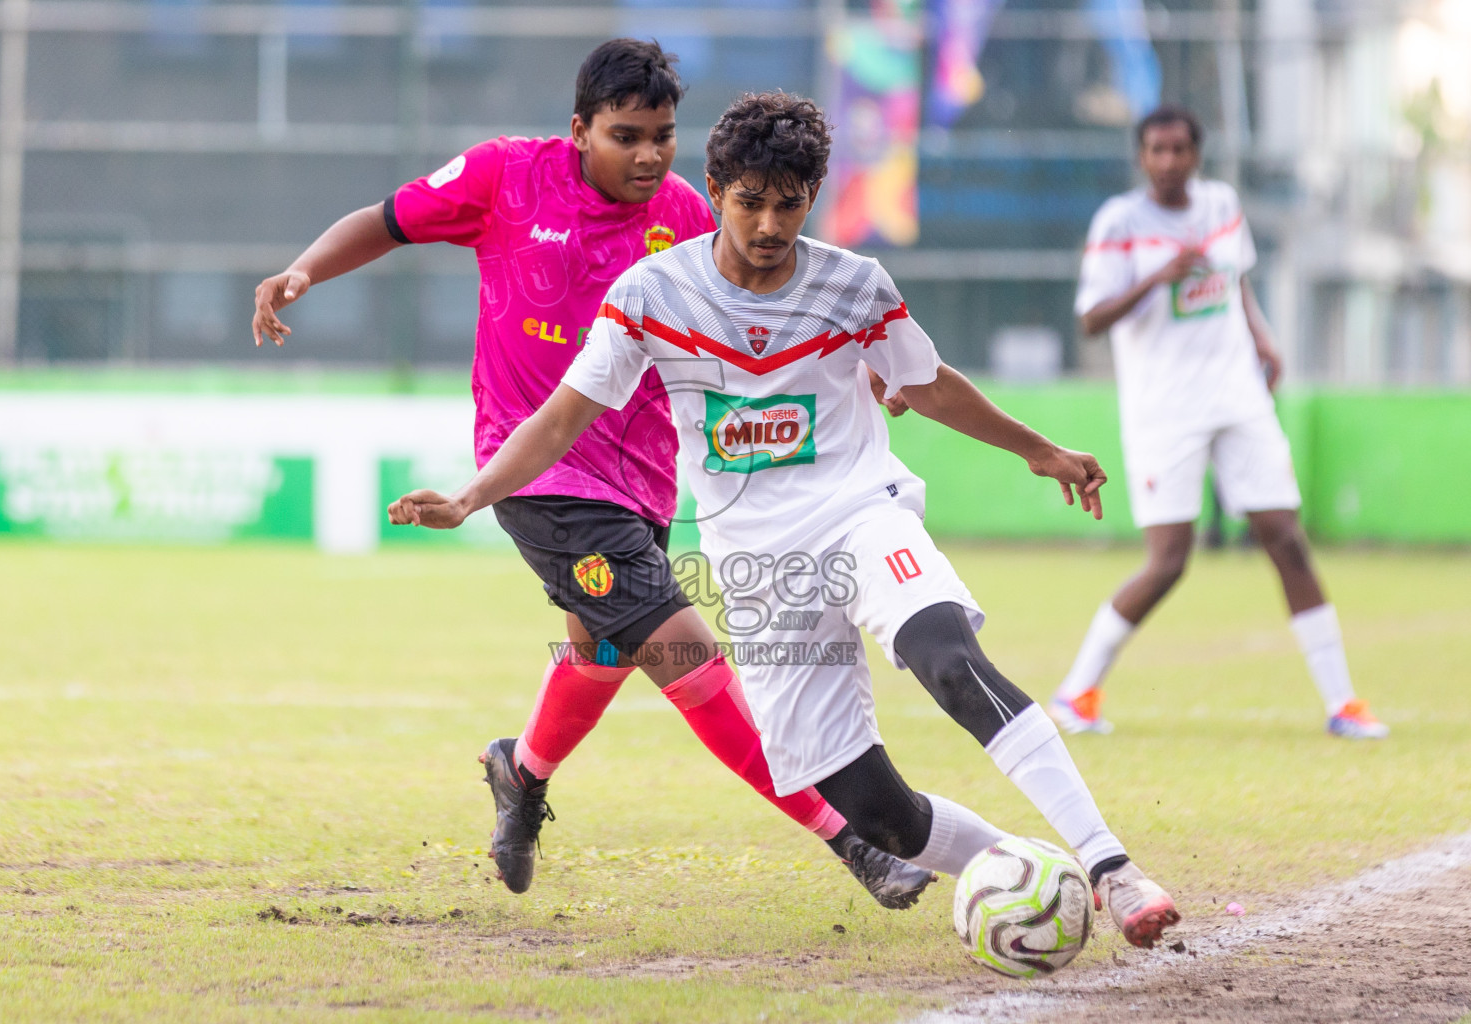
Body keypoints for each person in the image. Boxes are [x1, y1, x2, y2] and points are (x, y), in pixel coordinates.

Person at [389, 91, 1182, 949]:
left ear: (813, 197)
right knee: (875, 815)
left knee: (947, 660)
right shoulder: (652, 292)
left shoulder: (854, 284)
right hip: (759, 565)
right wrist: (472, 494)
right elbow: (560, 417)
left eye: (790, 202)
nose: (770, 222)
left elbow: (926, 380)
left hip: (859, 518)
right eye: (750, 200)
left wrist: (1039, 449)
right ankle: (1027, 875)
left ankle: (1111, 867)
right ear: (715, 188)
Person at [251, 40, 932, 908]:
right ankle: (856, 846)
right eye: (625, 135)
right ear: (579, 131)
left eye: (662, 135)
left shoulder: (691, 212)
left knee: (600, 649)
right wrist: (305, 268)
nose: (648, 154)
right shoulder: (504, 177)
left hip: (647, 477)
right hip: (541, 477)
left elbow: (774, 301)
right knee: (688, 657)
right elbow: (385, 220)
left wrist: (865, 365)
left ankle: (519, 770)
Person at [1049, 105, 1387, 740]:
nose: (1169, 161)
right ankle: (1075, 694)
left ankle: (1344, 703)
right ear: (1142, 157)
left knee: (1286, 538)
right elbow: (1091, 319)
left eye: (1180, 149)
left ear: (1197, 155)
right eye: (1157, 150)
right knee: (1169, 561)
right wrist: (1156, 277)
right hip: (1165, 410)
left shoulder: (1223, 205)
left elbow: (1238, 282)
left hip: (1238, 397)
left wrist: (1263, 337)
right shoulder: (1120, 222)